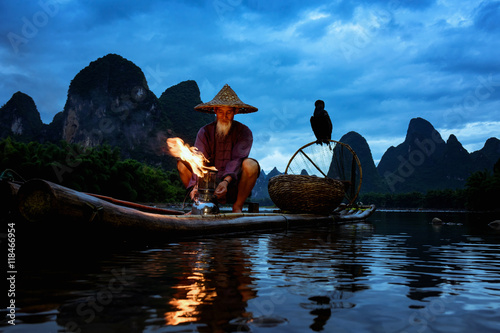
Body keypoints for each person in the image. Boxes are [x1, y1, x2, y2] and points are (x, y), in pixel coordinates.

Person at [177, 84, 260, 213]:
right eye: (220, 112)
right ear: (215, 111)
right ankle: (201, 204)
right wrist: (196, 186)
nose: (224, 116)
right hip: (208, 185)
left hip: (233, 185)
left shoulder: (244, 132)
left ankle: (237, 207)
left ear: (235, 112)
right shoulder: (204, 132)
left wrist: (226, 182)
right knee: (182, 165)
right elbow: (199, 161)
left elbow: (238, 159)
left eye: (228, 112)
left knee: (251, 165)